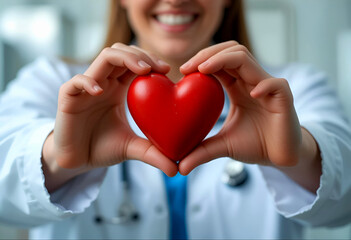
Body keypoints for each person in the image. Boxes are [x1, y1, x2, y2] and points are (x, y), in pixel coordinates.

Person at [0, 0, 351, 239]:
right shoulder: (52, 82)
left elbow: (345, 199)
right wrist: (56, 158)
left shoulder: (293, 88)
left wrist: (300, 155)